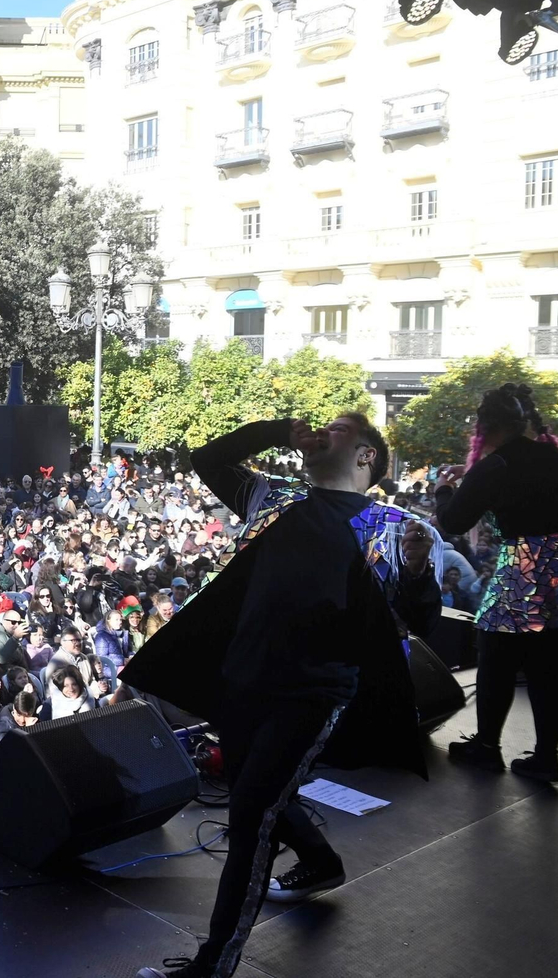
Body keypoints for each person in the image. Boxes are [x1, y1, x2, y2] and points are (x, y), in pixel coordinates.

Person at [122, 414, 438, 978]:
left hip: (311, 693)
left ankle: (212, 966)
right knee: (256, 791)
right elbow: (207, 459)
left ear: (367, 455)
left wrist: (417, 573)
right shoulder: (276, 496)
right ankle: (318, 861)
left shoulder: (389, 526)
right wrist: (276, 430)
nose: (322, 430)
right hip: (242, 681)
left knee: (249, 812)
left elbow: (416, 620)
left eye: (339, 429)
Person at [436, 383, 558, 783]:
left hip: (530, 568)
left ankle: (487, 747)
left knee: (494, 654)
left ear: (484, 426)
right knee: (547, 668)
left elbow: (454, 521)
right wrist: (474, 477)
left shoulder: (495, 467)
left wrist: (443, 490)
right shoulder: (547, 453)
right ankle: (546, 758)